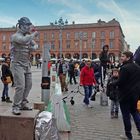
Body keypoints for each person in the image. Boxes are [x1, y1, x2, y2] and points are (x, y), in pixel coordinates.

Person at [10, 17, 38, 115]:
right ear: (21, 26)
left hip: (27, 64)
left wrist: (32, 47)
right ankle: (15, 106)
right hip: (17, 64)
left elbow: (35, 46)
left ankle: (23, 103)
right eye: (27, 25)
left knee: (29, 85)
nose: (28, 27)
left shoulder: (28, 36)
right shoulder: (15, 36)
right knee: (20, 86)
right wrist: (33, 34)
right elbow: (23, 40)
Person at [112, 51, 140, 140]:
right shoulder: (137, 67)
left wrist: (112, 83)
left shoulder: (124, 68)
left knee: (126, 115)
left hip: (125, 95)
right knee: (135, 113)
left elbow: (121, 82)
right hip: (135, 95)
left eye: (123, 56)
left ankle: (128, 135)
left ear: (128, 58)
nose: (121, 57)